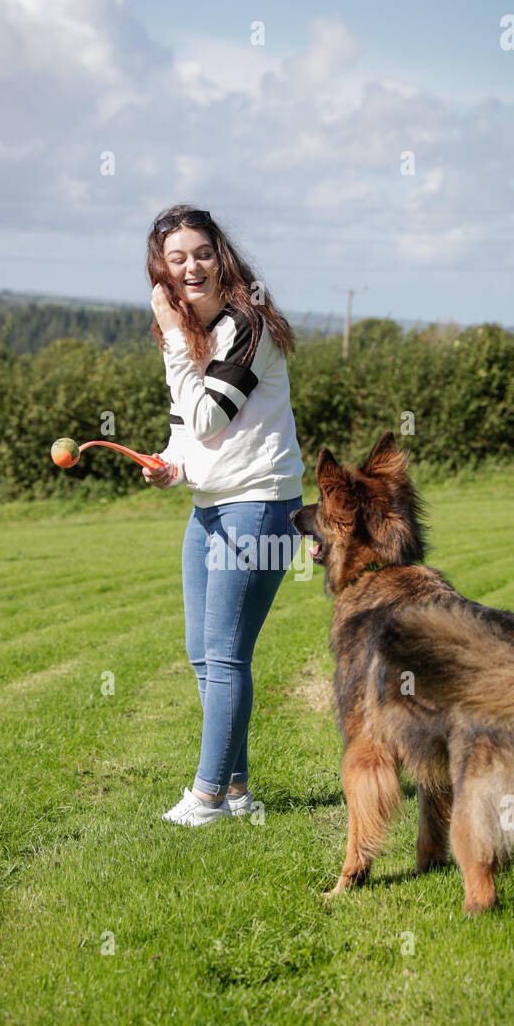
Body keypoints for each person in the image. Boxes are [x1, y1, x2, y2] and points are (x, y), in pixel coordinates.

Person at [143, 205, 304, 827]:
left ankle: (207, 797)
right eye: (176, 258)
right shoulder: (194, 332)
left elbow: (210, 414)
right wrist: (172, 462)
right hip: (210, 503)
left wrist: (173, 339)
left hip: (259, 505)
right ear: (162, 269)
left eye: (201, 253)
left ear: (222, 257)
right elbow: (191, 428)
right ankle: (237, 793)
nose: (191, 267)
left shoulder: (248, 325)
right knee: (202, 654)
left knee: (228, 652)